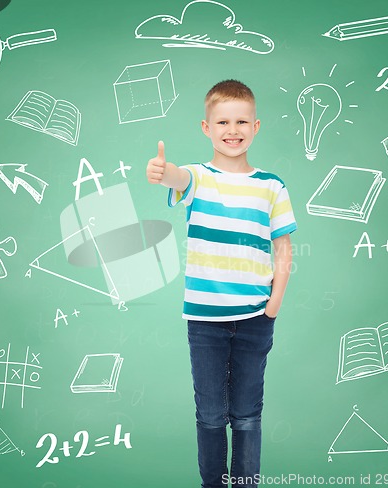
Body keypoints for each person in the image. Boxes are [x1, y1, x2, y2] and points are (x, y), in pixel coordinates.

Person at [146, 79, 297, 488]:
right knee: (210, 413)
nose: (233, 129)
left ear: (256, 126)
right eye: (223, 121)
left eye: (242, 121)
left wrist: (275, 301)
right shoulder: (198, 177)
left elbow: (283, 247)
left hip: (255, 317)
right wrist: (163, 173)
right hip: (205, 321)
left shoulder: (271, 186)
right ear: (206, 127)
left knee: (247, 413)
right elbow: (177, 178)